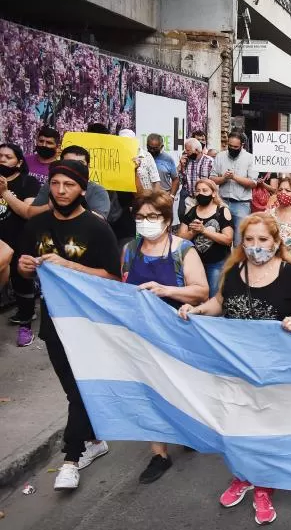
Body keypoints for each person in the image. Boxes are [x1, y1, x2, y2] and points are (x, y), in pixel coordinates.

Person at [178, 213, 291, 524]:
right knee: (237, 424)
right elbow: (220, 302)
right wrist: (198, 309)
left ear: (275, 242)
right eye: (249, 240)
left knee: (266, 427)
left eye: (263, 240)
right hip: (234, 366)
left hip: (274, 369)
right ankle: (243, 476)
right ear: (241, 243)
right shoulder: (233, 272)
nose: (256, 246)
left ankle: (264, 484)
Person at [16, 159, 121, 491]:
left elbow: (113, 278)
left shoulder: (97, 228)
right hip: (52, 321)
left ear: (82, 189)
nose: (61, 191)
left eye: (69, 185)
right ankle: (95, 440)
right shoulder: (37, 224)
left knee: (80, 388)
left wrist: (69, 266)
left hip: (88, 322)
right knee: (71, 388)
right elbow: (24, 269)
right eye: (56, 184)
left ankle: (70, 459)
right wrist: (25, 267)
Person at [121, 190, 208, 483]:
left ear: (167, 219)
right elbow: (123, 289)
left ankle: (186, 428)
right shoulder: (129, 251)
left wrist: (167, 290)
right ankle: (159, 453)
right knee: (149, 390)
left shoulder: (184, 250)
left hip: (176, 333)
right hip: (142, 333)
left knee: (180, 388)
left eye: (153, 217)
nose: (146, 222)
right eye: (141, 217)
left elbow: (202, 291)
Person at [0, 143, 42, 344]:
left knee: (21, 280)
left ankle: (26, 324)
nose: (2, 160)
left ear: (18, 161)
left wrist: (5, 192)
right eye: (0, 156)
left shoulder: (28, 182)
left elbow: (27, 211)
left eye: (8, 157)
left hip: (20, 239)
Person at [178, 178, 233, 296]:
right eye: (197, 191)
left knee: (214, 297)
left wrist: (204, 231)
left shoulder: (222, 211)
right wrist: (192, 232)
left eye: (204, 190)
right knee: (196, 297)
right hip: (194, 263)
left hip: (216, 263)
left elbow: (228, 239)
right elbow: (180, 238)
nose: (200, 194)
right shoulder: (191, 212)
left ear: (213, 193)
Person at [31, 145, 112, 221]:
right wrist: (50, 207)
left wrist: (74, 207)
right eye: (69, 163)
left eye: (80, 164)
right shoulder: (50, 185)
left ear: (88, 166)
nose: (61, 190)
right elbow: (31, 213)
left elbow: (100, 221)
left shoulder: (97, 190)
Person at [211, 132, 258, 246]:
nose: (232, 148)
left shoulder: (250, 158)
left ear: (242, 145)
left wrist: (234, 177)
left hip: (241, 204)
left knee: (239, 241)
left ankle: (237, 263)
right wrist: (224, 178)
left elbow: (253, 183)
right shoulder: (220, 156)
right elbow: (212, 178)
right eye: (230, 146)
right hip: (222, 202)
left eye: (235, 147)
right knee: (221, 239)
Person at [177, 138, 213, 219]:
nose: (186, 152)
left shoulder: (209, 161)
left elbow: (212, 182)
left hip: (203, 197)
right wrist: (181, 166)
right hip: (189, 196)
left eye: (188, 150)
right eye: (185, 150)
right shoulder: (186, 161)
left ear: (197, 150)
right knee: (183, 217)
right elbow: (180, 180)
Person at [118, 129, 160, 194]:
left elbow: (156, 181)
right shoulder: (117, 156)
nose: (125, 144)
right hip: (122, 198)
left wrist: (155, 201)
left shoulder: (146, 156)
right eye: (122, 142)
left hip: (144, 199)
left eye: (128, 141)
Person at [146, 133, 180, 207]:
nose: (152, 150)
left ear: (161, 147)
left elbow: (176, 179)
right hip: (146, 199)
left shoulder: (168, 159)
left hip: (163, 198)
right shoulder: (142, 157)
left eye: (155, 148)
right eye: (149, 147)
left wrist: (171, 196)